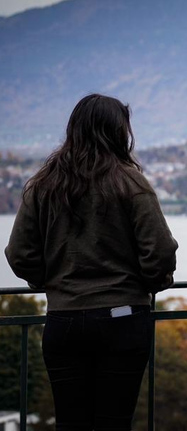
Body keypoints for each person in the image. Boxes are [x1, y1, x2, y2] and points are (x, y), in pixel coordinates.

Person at [5, 94, 178, 430]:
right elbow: (159, 252)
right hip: (123, 319)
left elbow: (19, 253)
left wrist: (51, 282)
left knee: (71, 422)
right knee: (114, 422)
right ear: (117, 132)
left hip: (63, 321)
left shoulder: (43, 184)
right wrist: (150, 283)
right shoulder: (131, 183)